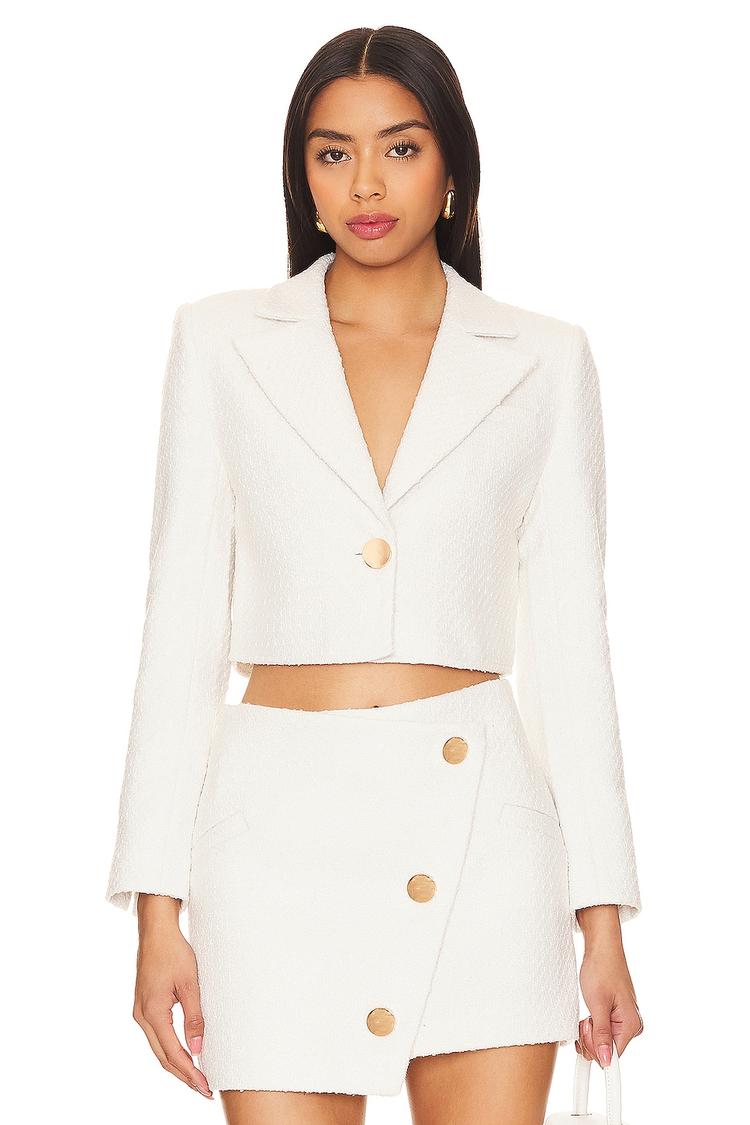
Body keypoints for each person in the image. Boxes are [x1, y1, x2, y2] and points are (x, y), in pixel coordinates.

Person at [105, 24, 644, 1125]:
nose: (365, 183)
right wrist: (157, 910)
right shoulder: (221, 342)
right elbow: (179, 629)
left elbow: (573, 653)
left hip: (483, 840)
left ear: (452, 170)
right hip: (272, 851)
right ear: (301, 176)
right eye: (331, 151)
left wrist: (602, 919)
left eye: (400, 148)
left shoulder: (544, 360)